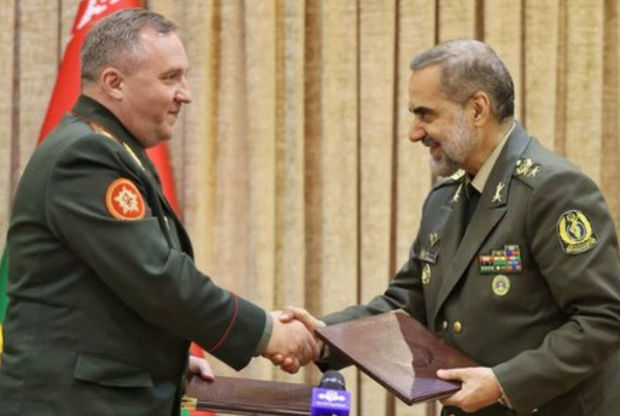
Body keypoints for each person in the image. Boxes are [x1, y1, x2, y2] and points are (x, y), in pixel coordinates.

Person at [0, 8, 318, 416]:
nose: (185, 93)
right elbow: (157, 276)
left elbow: (104, 294)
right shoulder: (85, 155)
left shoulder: (114, 148)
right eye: (170, 78)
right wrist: (266, 332)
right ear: (114, 83)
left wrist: (165, 363)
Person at [280, 39, 620, 416]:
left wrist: (504, 383)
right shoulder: (444, 200)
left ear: (477, 109)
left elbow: (604, 318)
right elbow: (407, 305)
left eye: (426, 115)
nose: (414, 133)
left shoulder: (553, 190)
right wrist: (324, 335)